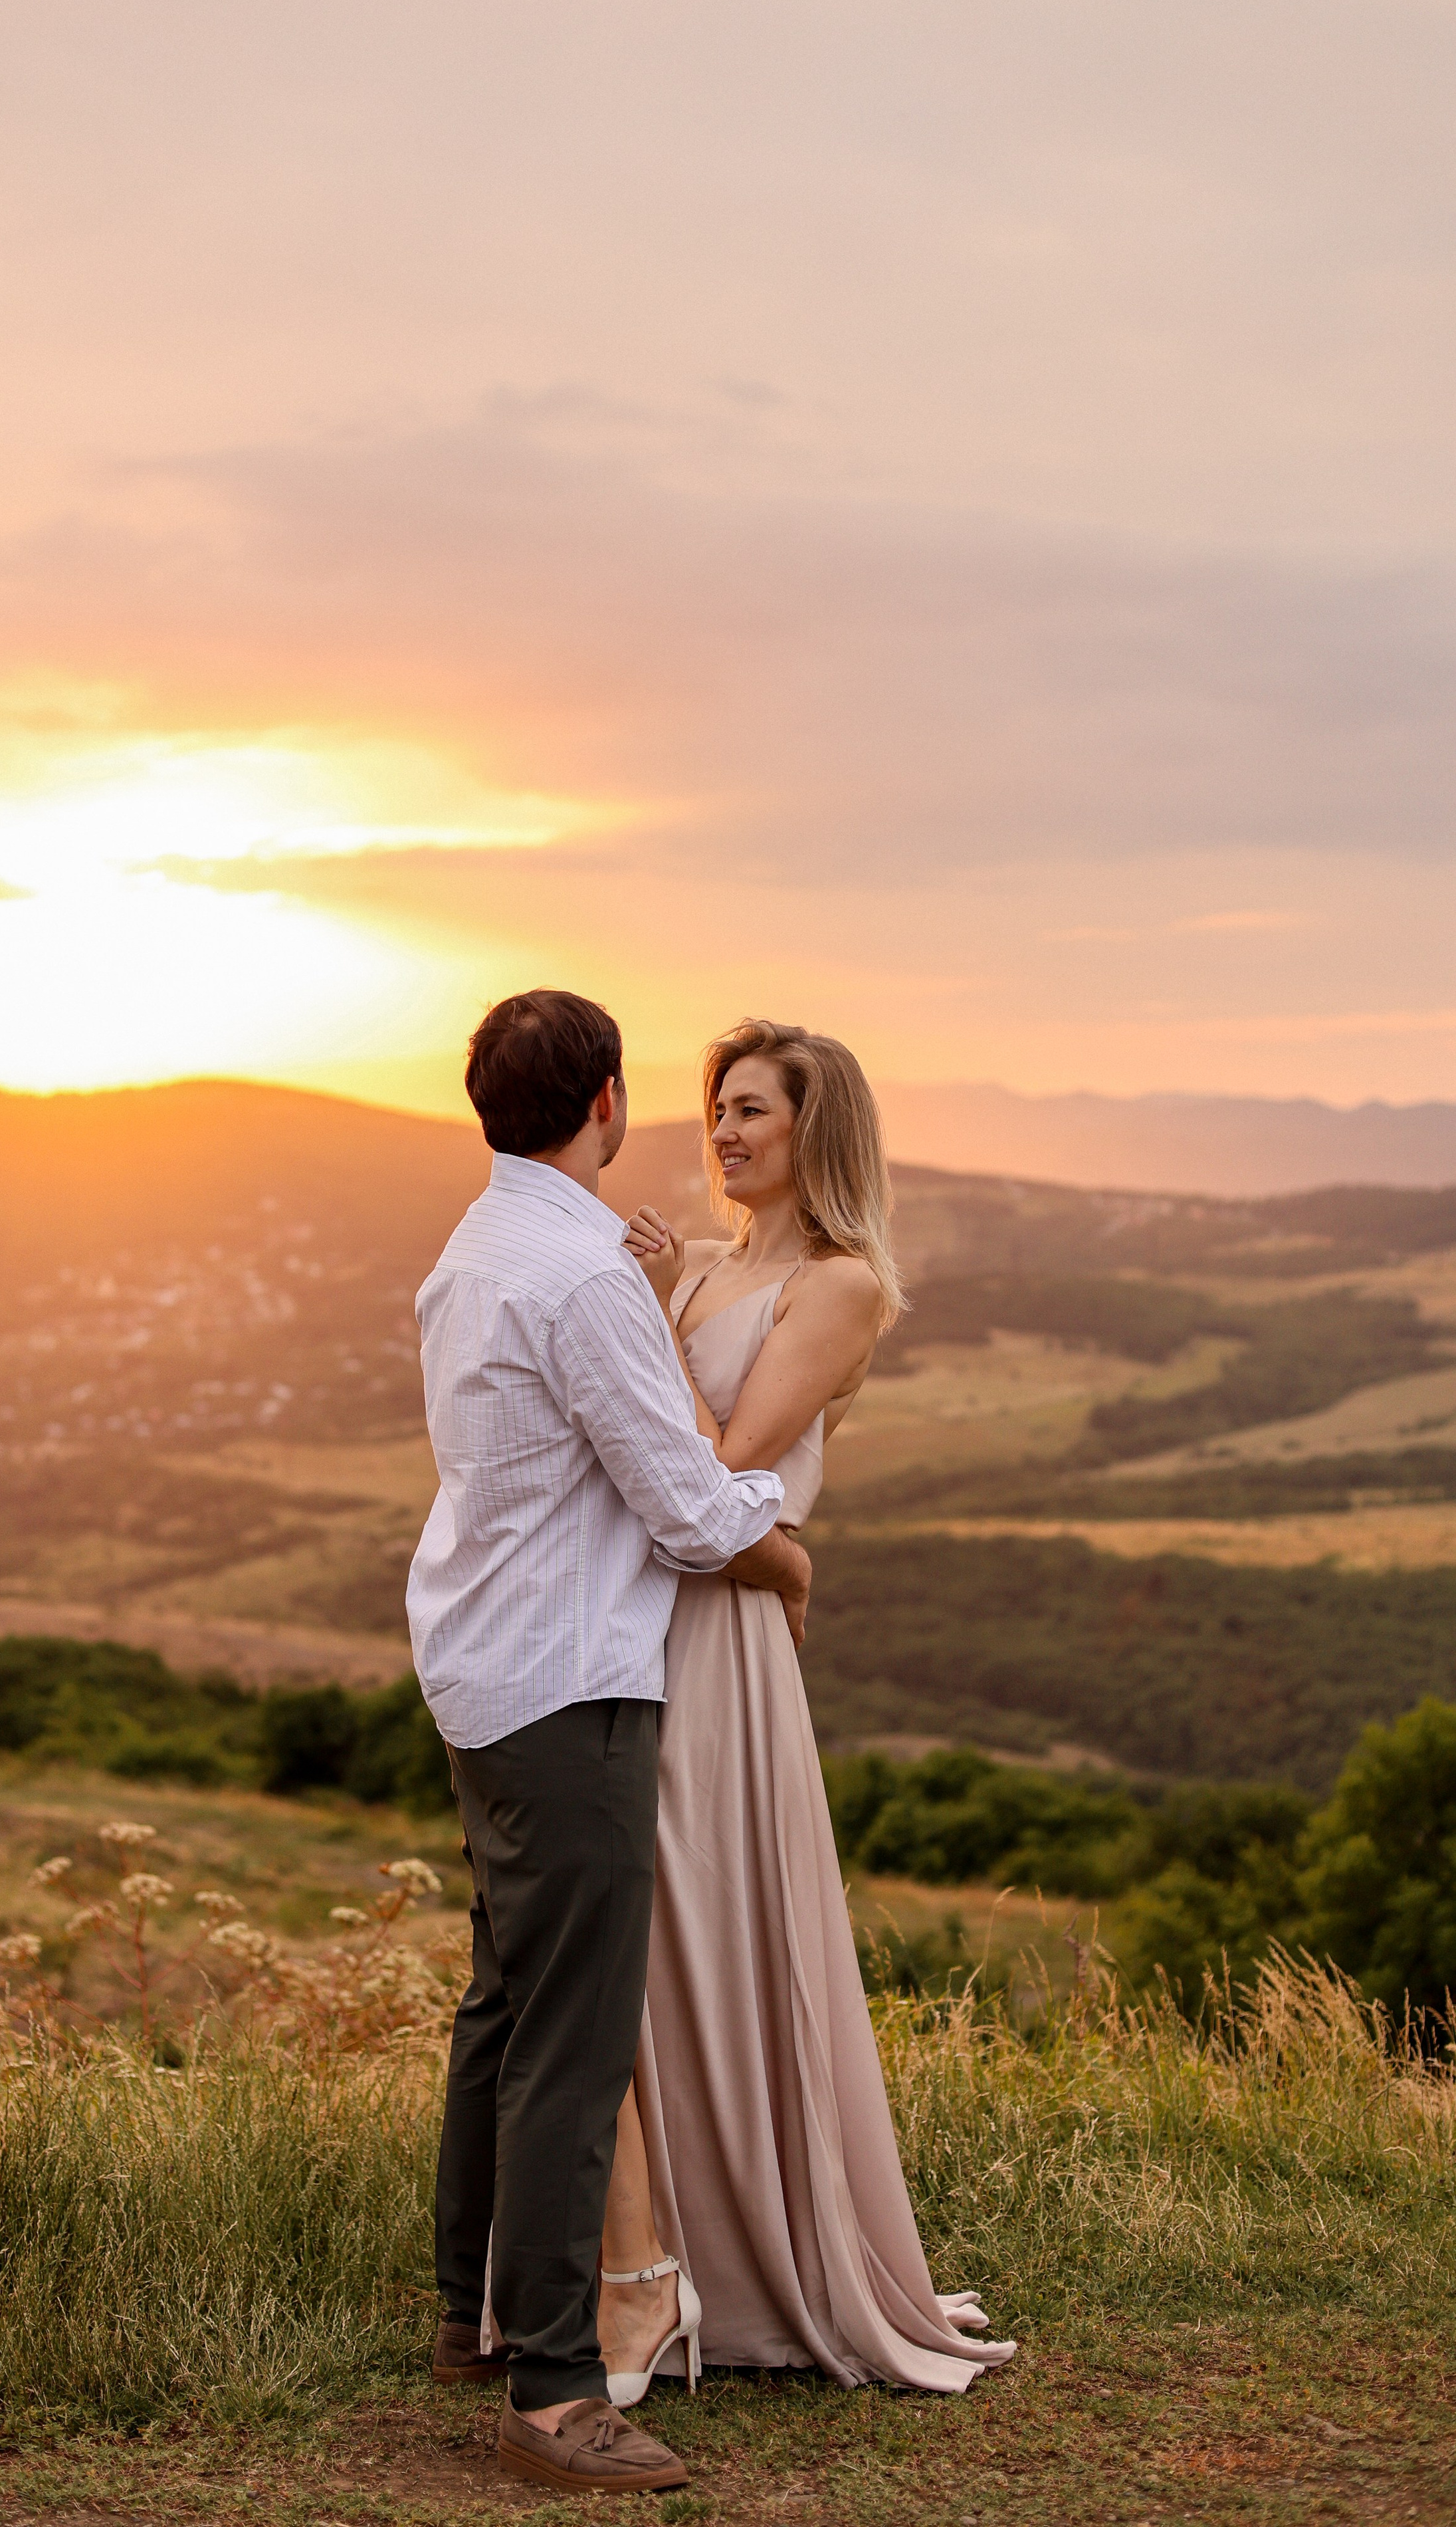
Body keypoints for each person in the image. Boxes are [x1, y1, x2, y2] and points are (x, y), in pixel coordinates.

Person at [408, 989, 814, 2496]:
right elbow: (684, 1501)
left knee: (504, 2005)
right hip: (567, 1683)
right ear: (607, 1103)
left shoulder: (474, 1249)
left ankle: (470, 2314)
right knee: (573, 2042)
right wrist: (786, 1547)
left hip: (479, 1664)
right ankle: (558, 2390)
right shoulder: (580, 1272)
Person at [595, 1017, 1016, 2402]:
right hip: (655, 1617)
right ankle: (653, 2260)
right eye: (716, 1109)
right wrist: (657, 1303)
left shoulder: (838, 1288)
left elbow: (715, 1466)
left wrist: (776, 1547)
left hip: (719, 1637)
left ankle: (761, 2266)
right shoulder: (709, 1268)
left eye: (752, 1113)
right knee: (651, 1939)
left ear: (812, 1131)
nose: (721, 1132)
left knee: (714, 1919)